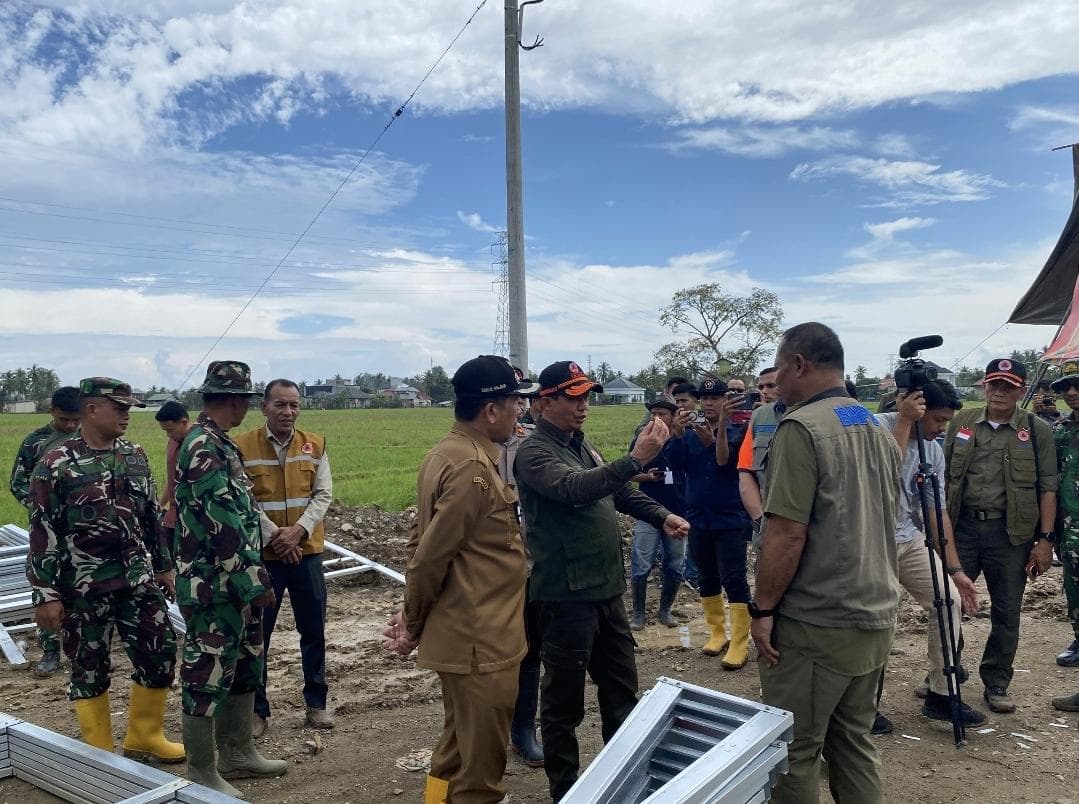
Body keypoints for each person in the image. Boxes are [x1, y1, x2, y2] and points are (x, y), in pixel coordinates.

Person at [513, 360, 690, 802]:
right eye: (573, 397)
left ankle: (621, 784)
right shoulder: (534, 452)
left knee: (621, 695)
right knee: (563, 704)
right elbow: (576, 489)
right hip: (566, 595)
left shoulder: (579, 443)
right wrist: (636, 459)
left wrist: (661, 514)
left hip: (606, 590)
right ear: (545, 401)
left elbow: (617, 490)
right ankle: (566, 791)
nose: (583, 406)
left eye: (586, 396)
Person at [751, 322, 901, 804]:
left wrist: (763, 608)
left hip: (818, 621)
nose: (776, 381)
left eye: (778, 368)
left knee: (793, 752)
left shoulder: (801, 428)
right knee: (854, 743)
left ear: (798, 364)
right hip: (873, 613)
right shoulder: (874, 426)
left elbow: (787, 532)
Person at [383, 355, 534, 804]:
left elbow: (420, 541)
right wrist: (411, 622)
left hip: (467, 634)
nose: (518, 413)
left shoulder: (444, 453)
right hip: (481, 641)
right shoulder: (473, 467)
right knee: (481, 775)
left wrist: (415, 614)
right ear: (491, 410)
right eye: (513, 403)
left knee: (454, 747)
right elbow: (431, 556)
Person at [26, 378, 183, 763]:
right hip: (82, 586)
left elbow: (151, 516)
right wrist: (45, 594)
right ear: (92, 408)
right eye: (120, 408)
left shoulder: (134, 455)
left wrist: (163, 568)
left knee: (160, 652)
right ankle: (99, 752)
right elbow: (42, 531)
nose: (127, 415)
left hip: (136, 579)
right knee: (88, 666)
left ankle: (145, 736)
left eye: (129, 408)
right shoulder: (55, 464)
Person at [175, 360, 286, 797]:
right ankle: (202, 770)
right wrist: (254, 581)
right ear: (235, 401)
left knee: (243, 663)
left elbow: (240, 515)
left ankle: (238, 755)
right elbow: (222, 525)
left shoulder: (219, 443)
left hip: (234, 582)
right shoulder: (203, 446)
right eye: (247, 400)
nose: (247, 409)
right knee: (207, 669)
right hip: (213, 586)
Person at [943, 358, 1057, 714]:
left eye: (1007, 386)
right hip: (963, 529)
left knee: (1006, 611)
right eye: (993, 384)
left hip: (1011, 535)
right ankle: (946, 673)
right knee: (949, 604)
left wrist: (1045, 540)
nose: (998, 392)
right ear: (983, 387)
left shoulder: (1036, 430)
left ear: (1021, 391)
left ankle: (996, 681)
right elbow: (943, 475)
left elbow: (1048, 489)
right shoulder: (962, 423)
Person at [873, 381, 986, 732]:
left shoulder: (933, 450)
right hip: (872, 543)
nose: (941, 428)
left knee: (948, 602)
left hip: (909, 540)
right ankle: (860, 705)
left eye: (947, 421)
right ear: (914, 406)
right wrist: (905, 423)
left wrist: (955, 569)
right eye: (937, 419)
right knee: (879, 623)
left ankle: (941, 692)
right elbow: (880, 476)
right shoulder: (875, 427)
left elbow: (936, 511)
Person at [233, 379, 335, 736]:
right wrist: (276, 537)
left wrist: (299, 532)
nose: (287, 412)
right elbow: (245, 499)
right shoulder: (242, 445)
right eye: (280, 404)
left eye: (294, 405)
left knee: (314, 630)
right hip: (266, 556)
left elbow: (323, 495)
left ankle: (317, 704)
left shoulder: (315, 444)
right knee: (259, 633)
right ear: (264, 406)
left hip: (307, 553)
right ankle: (257, 710)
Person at [667, 378, 751, 669]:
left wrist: (713, 442)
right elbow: (674, 464)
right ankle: (718, 633)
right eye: (706, 398)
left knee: (734, 578)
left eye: (717, 398)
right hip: (699, 517)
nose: (711, 403)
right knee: (707, 576)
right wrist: (676, 432)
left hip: (730, 517)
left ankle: (740, 640)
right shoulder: (691, 433)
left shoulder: (738, 430)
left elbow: (730, 468)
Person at [9, 385, 81, 677]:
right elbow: (18, 483)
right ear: (52, 412)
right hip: (47, 532)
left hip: (82, 533)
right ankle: (51, 651)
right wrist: (42, 503)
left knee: (82, 590)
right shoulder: (36, 443)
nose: (71, 425)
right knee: (45, 588)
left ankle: (82, 652)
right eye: (65, 420)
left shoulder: (89, 439)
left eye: (76, 419)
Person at [496, 367, 546, 769]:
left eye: (524, 398)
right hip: (490, 570)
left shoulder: (534, 443)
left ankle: (523, 729)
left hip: (530, 565)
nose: (521, 405)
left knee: (529, 652)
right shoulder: (472, 450)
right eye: (515, 397)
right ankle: (486, 730)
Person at [628, 396, 686, 629]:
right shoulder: (643, 440)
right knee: (641, 563)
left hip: (677, 511)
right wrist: (647, 477)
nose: (657, 418)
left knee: (675, 564)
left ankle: (665, 610)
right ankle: (639, 614)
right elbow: (628, 472)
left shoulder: (683, 439)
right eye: (654, 413)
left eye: (662, 413)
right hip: (648, 510)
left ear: (672, 417)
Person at [1051, 361, 1079, 679]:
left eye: (1077, 385)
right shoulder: (1059, 431)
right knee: (1073, 587)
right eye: (1065, 387)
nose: (1071, 392)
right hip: (1068, 529)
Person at [737, 367, 784, 542]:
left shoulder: (811, 414)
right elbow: (745, 470)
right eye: (761, 387)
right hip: (767, 521)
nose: (764, 391)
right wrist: (759, 520)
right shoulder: (759, 416)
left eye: (771, 385)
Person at [155, 400, 191, 557]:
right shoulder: (173, 442)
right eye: (165, 432)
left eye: (170, 430)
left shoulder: (200, 445)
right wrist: (160, 504)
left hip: (191, 519)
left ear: (183, 422)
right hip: (173, 517)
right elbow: (171, 481)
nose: (169, 435)